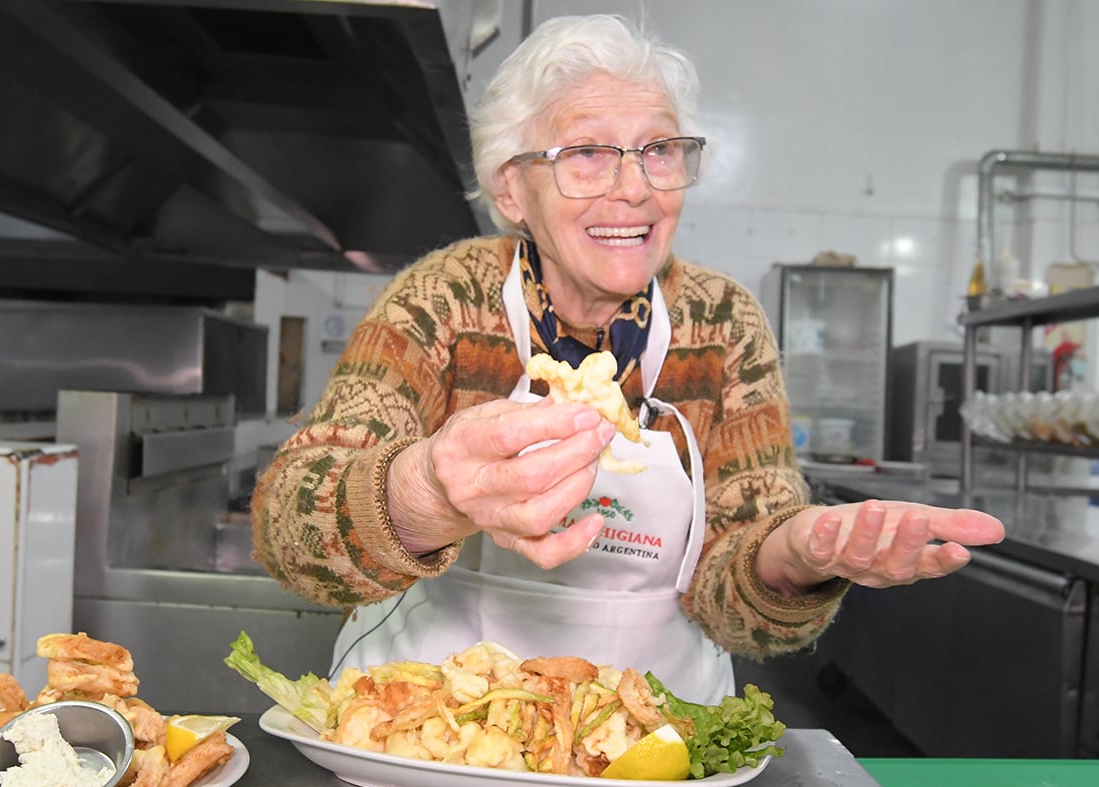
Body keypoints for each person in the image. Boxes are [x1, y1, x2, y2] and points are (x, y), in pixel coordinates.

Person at [249, 14, 1004, 704]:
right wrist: (426, 494)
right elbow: (289, 527)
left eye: (659, 151)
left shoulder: (723, 324)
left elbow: (737, 595)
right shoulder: (443, 301)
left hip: (647, 749)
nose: (635, 190)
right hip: (430, 732)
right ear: (512, 187)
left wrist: (795, 554)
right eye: (586, 155)